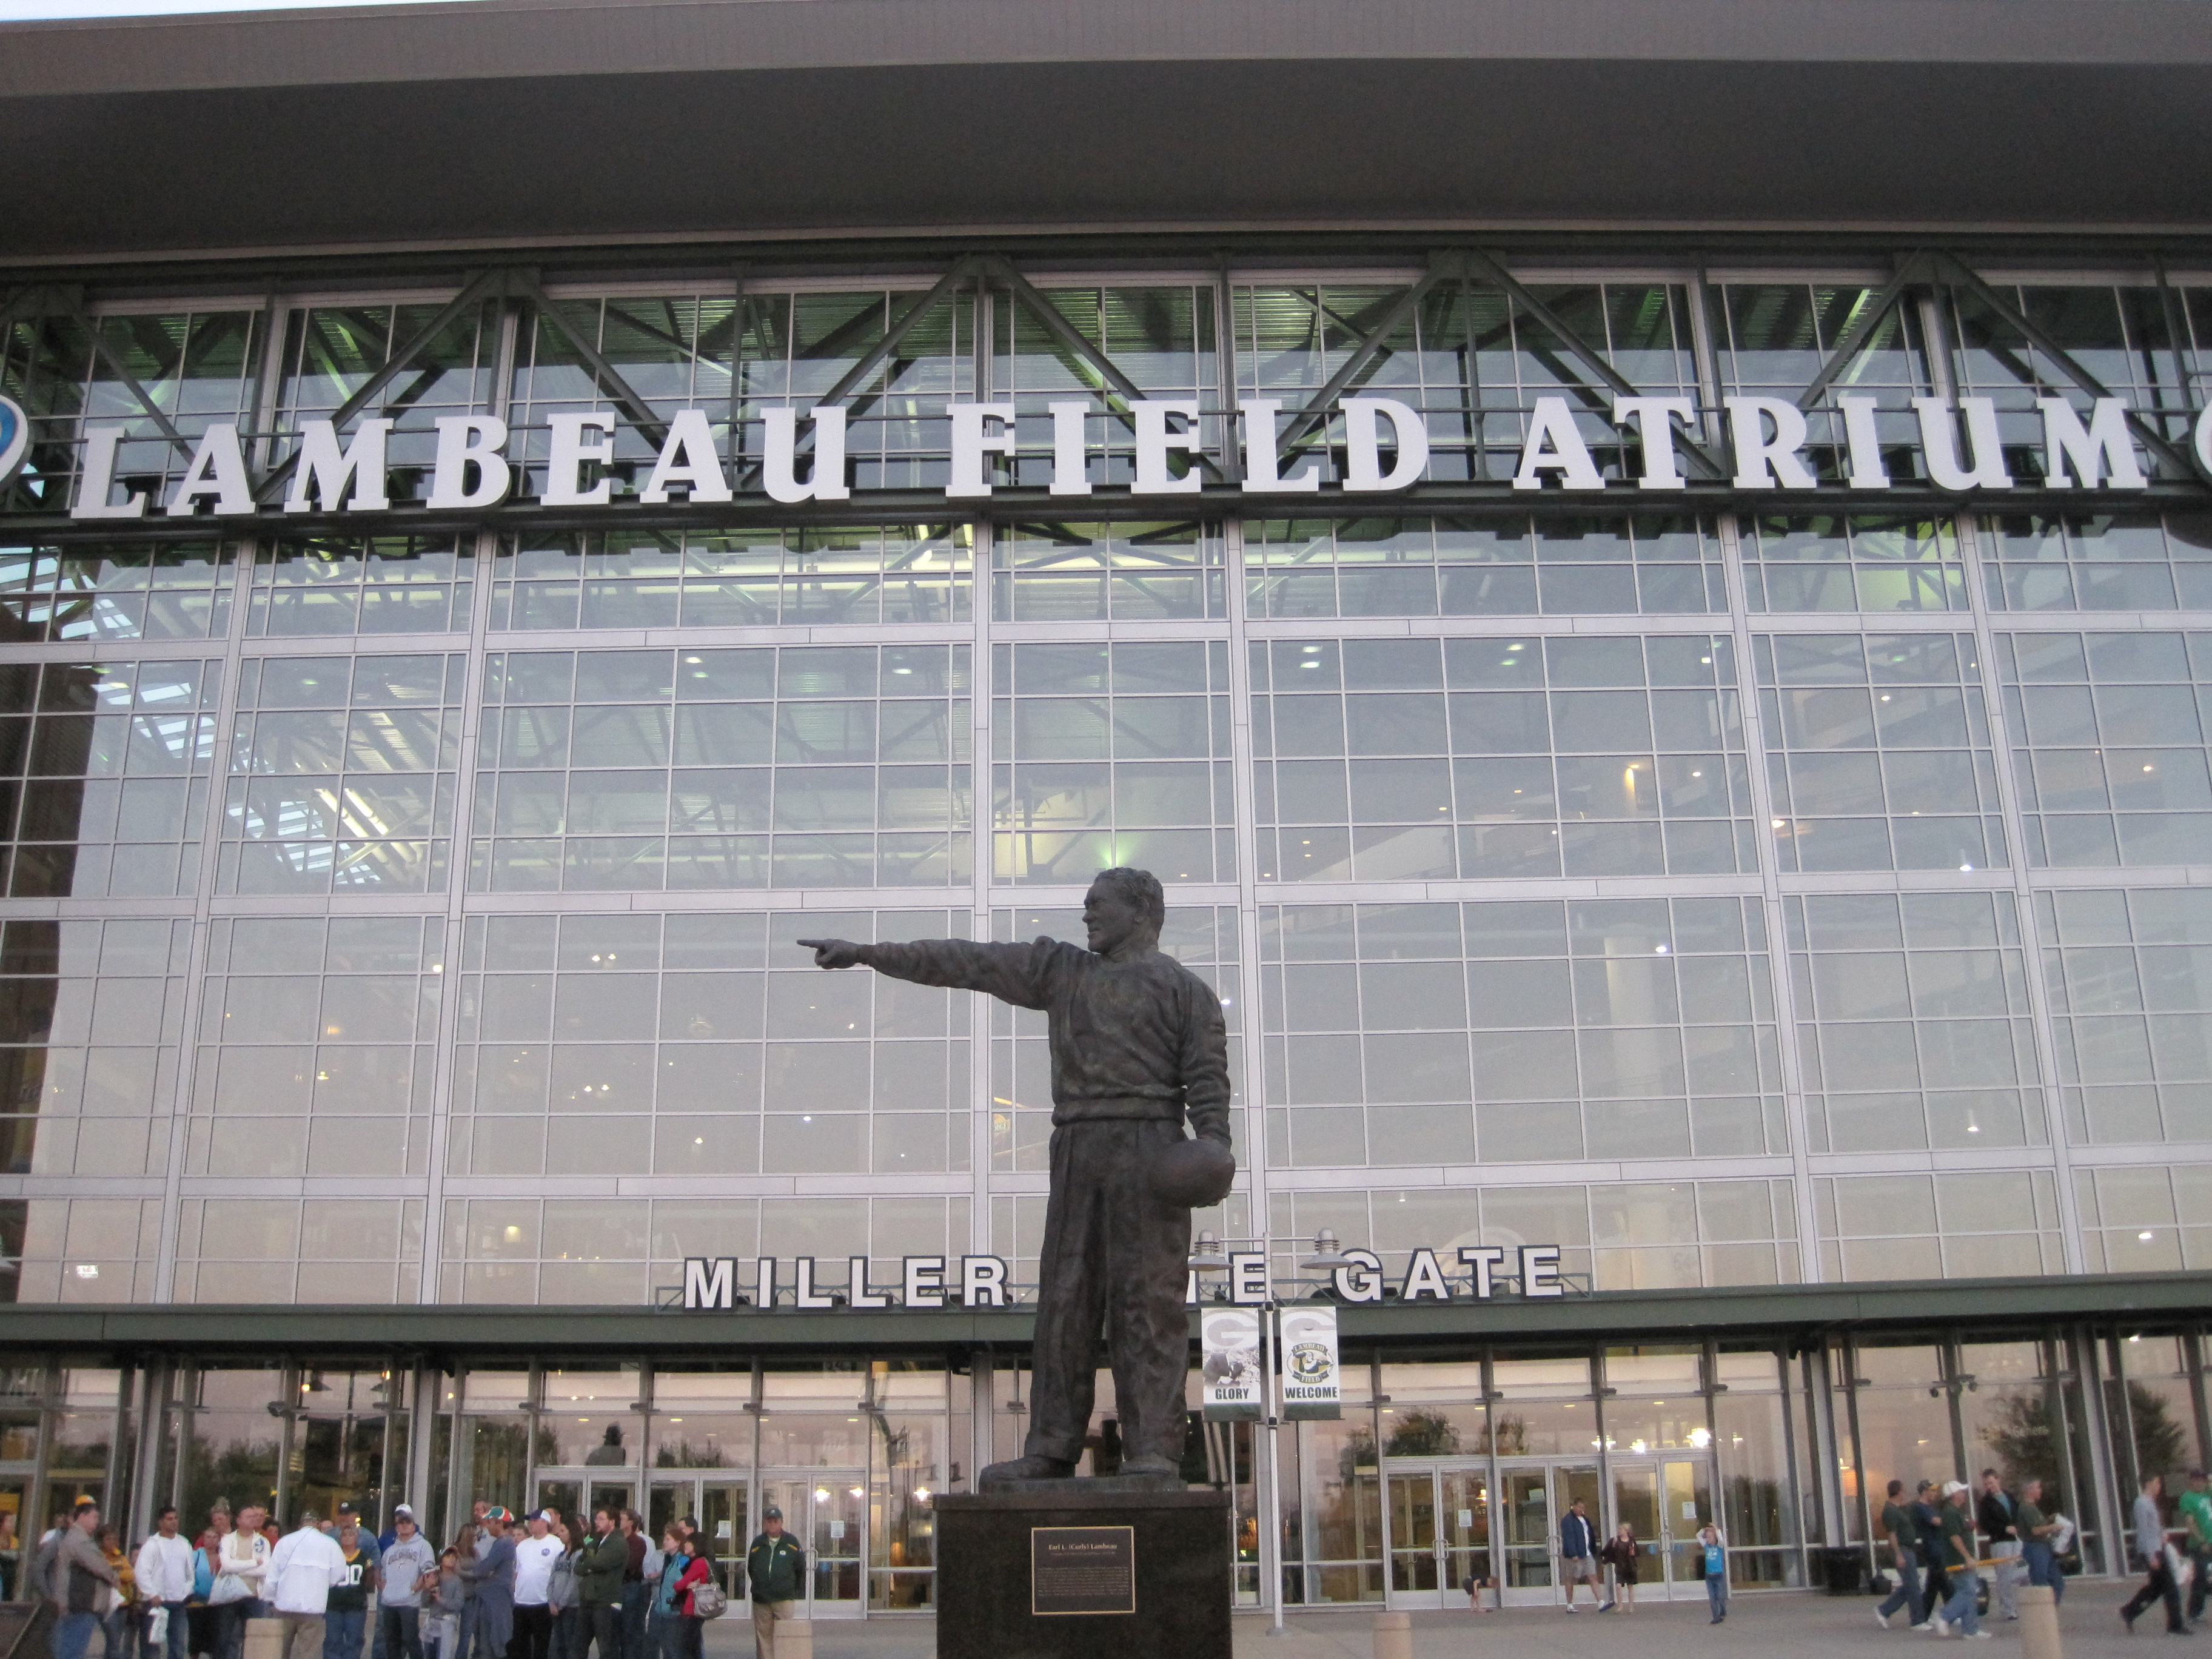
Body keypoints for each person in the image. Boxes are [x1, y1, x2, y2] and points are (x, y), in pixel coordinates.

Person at [800, 866, 1233, 1486]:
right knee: (1065, 1303)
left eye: (1096, 906)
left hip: (1151, 1148)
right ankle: (1052, 1445)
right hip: (1079, 1143)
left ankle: (1154, 1451)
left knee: (1149, 1306)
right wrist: (869, 954)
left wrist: (1212, 1149)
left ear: (1140, 912)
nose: (1085, 916)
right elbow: (966, 962)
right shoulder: (1063, 971)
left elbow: (1209, 1085)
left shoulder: (1185, 991)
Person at [38, 1500, 119, 1659]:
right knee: (72, 1651)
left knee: (69, 1649)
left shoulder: (77, 1538)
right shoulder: (79, 1540)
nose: (97, 1522)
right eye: (94, 1517)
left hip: (78, 1603)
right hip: (80, 1604)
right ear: (82, 1516)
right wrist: (114, 1577)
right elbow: (99, 1566)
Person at [267, 1510, 351, 1659]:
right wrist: (325, 1585)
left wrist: (270, 1598)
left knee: (278, 1652)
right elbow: (339, 1573)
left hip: (284, 1606)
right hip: (313, 1608)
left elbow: (272, 1575)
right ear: (318, 1525)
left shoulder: (285, 1542)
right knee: (309, 1653)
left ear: (300, 1525)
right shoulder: (330, 1544)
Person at [2123, 1472, 2189, 1635]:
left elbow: (2154, 1528)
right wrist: (2152, 1555)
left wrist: (2162, 1535)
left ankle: (2130, 1611)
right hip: (2153, 1551)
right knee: (2171, 1587)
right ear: (2147, 1483)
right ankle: (2175, 1625)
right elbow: (2144, 1531)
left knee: (2157, 1587)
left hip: (2159, 1548)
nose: (2158, 1487)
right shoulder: (2142, 1503)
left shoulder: (2150, 1503)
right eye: (2156, 1483)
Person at [373, 1507, 435, 1659]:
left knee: (411, 1639)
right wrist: (384, 1588)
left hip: (409, 1602)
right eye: (401, 1523)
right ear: (396, 1527)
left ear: (414, 1526)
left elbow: (427, 1571)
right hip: (389, 1601)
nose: (404, 1525)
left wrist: (415, 1589)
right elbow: (383, 1572)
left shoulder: (423, 1545)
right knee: (392, 1642)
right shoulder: (391, 1550)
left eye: (408, 1522)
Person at [138, 1507, 197, 1659]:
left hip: (178, 1602)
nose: (174, 1522)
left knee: (178, 1645)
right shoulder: (152, 1545)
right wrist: (152, 1594)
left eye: (176, 1518)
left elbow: (190, 1573)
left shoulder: (184, 1543)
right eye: (169, 1519)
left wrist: (186, 1592)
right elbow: (142, 1572)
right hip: (157, 1602)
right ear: (161, 1522)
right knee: (152, 1646)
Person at [213, 1506, 272, 1659]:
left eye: (255, 1517)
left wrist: (238, 1568)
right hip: (230, 1596)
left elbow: (266, 1569)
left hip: (253, 1596)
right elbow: (226, 1565)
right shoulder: (228, 1540)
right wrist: (254, 1563)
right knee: (225, 1637)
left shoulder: (263, 1542)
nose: (253, 1519)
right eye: (249, 1517)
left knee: (254, 1638)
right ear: (238, 1520)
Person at [1936, 1481, 1991, 1639]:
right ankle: (1944, 1616)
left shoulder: (1959, 1512)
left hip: (1966, 1558)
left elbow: (1966, 1528)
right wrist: (1966, 1557)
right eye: (1961, 1491)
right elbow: (1954, 1537)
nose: (1965, 1494)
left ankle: (1970, 1629)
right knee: (1967, 1592)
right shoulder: (1950, 1512)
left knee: (1969, 1592)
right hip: (1958, 1559)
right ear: (1954, 1495)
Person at [457, 1509, 515, 1659]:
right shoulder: (498, 1543)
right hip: (486, 1599)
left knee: (496, 1643)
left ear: (499, 1523)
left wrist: (476, 1571)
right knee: (484, 1644)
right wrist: (482, 1572)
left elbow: (483, 1569)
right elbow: (484, 1569)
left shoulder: (506, 1543)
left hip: (498, 1602)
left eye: (490, 1522)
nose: (487, 1527)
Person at [743, 1509, 800, 1659]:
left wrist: (790, 1588)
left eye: (776, 1521)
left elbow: (800, 1568)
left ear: (782, 1522)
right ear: (764, 1523)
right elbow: (752, 1567)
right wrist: (760, 1585)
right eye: (769, 1521)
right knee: (764, 1638)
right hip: (762, 1599)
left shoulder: (791, 1542)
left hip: (784, 1597)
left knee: (785, 1635)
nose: (772, 1524)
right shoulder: (758, 1543)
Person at [1874, 1479, 1929, 1630]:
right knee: (1913, 1586)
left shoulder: (1900, 1508)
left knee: (1912, 1583)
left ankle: (1884, 1610)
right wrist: (1898, 1554)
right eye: (1903, 1491)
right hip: (1902, 1549)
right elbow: (1892, 1534)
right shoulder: (1890, 1511)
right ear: (1898, 1492)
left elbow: (1910, 1507)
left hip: (1909, 1548)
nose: (1905, 1493)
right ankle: (1917, 1621)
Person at [509, 1511, 562, 1659]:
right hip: (521, 1602)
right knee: (520, 1645)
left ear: (544, 1522)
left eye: (534, 1521)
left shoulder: (556, 1544)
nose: (531, 1524)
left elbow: (559, 1572)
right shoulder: (523, 1546)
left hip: (542, 1601)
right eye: (530, 1521)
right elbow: (517, 1571)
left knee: (541, 1645)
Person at [572, 1510, 625, 1659]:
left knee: (607, 1649)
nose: (597, 1521)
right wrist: (590, 1564)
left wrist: (590, 1564)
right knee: (578, 1646)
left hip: (606, 1602)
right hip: (588, 1600)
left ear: (612, 1522)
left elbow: (598, 1563)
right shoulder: (596, 1542)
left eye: (601, 1519)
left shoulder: (618, 1542)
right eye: (596, 1519)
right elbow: (578, 1566)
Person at [326, 1515, 379, 1659]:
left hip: (356, 1607)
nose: (348, 1537)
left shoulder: (363, 1557)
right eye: (345, 1535)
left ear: (357, 1538)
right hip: (334, 1605)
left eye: (351, 1535)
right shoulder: (333, 1555)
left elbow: (369, 1581)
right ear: (340, 1538)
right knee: (332, 1641)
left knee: (354, 1641)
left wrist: (372, 1576)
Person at [1977, 1469, 2023, 1622]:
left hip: (2015, 1538)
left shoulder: (2009, 1496)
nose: (1989, 1486)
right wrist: (2003, 1528)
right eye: (1986, 1484)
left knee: (2019, 1571)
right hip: (2000, 1541)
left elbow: (2018, 1513)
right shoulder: (1986, 1503)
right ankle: (2008, 1609)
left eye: (1991, 1482)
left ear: (1998, 1480)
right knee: (2004, 1575)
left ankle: (2019, 1605)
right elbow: (1985, 1524)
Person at [2016, 1478, 2065, 1606]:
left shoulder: (2034, 1508)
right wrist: (2053, 1527)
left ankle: (2050, 1608)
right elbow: (2036, 1530)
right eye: (2038, 1487)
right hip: (2035, 1548)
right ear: (2029, 1490)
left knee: (2057, 1581)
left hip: (2044, 1547)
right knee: (2040, 1582)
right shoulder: (2026, 1509)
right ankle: (2042, 1610)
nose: (2040, 1490)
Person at [659, 1535, 708, 1659]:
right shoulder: (692, 1561)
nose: (685, 1545)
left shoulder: (698, 1563)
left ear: (696, 1545)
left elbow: (679, 1585)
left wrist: (684, 1584)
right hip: (690, 1610)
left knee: (687, 1649)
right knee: (692, 1647)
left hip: (692, 1610)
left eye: (689, 1543)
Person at [1912, 1481, 1951, 1628]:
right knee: (1943, 1583)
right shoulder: (1920, 1508)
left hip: (1940, 1548)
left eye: (1935, 1491)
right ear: (1924, 1492)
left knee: (1934, 1585)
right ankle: (1952, 1612)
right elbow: (1936, 1521)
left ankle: (1925, 1615)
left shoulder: (1932, 1507)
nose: (1935, 1494)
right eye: (1931, 1491)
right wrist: (1952, 1521)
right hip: (1932, 1550)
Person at [99, 1523, 141, 1659]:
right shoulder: (100, 1556)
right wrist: (118, 1573)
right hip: (109, 1605)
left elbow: (131, 1575)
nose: (112, 1542)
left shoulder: (121, 1558)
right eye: (108, 1539)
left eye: (114, 1539)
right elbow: (106, 1574)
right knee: (113, 1641)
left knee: (115, 1642)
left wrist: (118, 1573)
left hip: (124, 1605)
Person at [617, 1512, 650, 1659]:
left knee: (629, 1629)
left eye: (622, 1519)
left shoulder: (638, 1542)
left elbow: (630, 1564)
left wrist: (611, 1563)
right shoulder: (615, 1540)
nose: (619, 1521)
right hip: (615, 1588)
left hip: (630, 1586)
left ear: (631, 1523)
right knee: (616, 1630)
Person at [1557, 1497, 1598, 1612]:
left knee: (1593, 1576)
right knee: (1572, 1578)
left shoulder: (1585, 1519)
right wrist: (1573, 1553)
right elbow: (1569, 1537)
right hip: (1575, 1555)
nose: (1581, 1509)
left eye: (1583, 1507)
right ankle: (1570, 1604)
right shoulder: (1568, 1520)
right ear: (1574, 1506)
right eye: (1579, 1507)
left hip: (1587, 1553)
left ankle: (1600, 1602)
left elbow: (1589, 1535)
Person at [2182, 1470, 2212, 1624]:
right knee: (2200, 1578)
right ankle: (2194, 1612)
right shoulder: (2188, 1498)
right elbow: (2190, 1522)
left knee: (2205, 1578)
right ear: (2192, 1481)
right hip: (2200, 1545)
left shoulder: (2207, 1494)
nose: (2201, 1483)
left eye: (2203, 1480)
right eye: (2198, 1480)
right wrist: (2201, 1541)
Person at [424, 1552, 466, 1659]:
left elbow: (458, 1604)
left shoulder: (457, 1581)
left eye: (454, 1557)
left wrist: (440, 1599)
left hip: (447, 1621)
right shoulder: (435, 1577)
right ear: (441, 1560)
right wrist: (428, 1589)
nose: (452, 1559)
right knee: (429, 1653)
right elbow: (424, 1602)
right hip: (432, 1620)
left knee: (444, 1654)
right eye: (448, 1556)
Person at [188, 1527, 221, 1659]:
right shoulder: (196, 1555)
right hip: (198, 1599)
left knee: (215, 1637)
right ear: (203, 1539)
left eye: (214, 1537)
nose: (211, 1541)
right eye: (208, 1537)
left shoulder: (223, 1557)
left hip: (218, 1601)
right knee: (195, 1635)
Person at [1598, 1523, 1638, 1613]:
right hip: (1620, 1566)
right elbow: (1608, 1553)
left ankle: (1631, 1607)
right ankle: (1620, 1606)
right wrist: (1605, 1562)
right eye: (1619, 1529)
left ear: (1626, 1531)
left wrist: (1633, 1552)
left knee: (1630, 1586)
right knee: (1618, 1586)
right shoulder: (1615, 1540)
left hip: (1630, 1566)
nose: (1619, 1531)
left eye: (1621, 1529)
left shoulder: (1631, 1541)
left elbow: (1637, 1553)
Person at [1697, 1521, 1728, 1624]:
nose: (1708, 1539)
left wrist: (1716, 1529)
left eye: (1710, 1537)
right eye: (1707, 1537)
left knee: (1719, 1597)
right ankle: (1716, 1617)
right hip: (1709, 1576)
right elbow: (1698, 1536)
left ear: (1715, 1538)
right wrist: (1704, 1530)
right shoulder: (1706, 1547)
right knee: (1712, 1598)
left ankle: (1723, 1610)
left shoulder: (1719, 1547)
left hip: (1718, 1575)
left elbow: (1722, 1540)